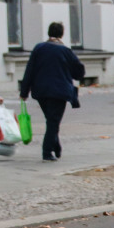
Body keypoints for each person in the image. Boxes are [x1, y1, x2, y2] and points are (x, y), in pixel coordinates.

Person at [19, 22, 86, 161]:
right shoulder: (65, 51)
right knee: (53, 121)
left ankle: (56, 146)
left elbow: (29, 70)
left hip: (41, 91)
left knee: (51, 120)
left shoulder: (39, 48)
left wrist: (24, 91)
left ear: (48, 32)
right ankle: (47, 151)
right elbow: (78, 72)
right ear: (62, 34)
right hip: (59, 91)